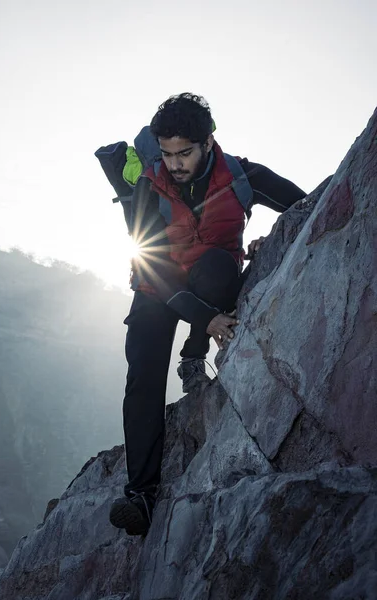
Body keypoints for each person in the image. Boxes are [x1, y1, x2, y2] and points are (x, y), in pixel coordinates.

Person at [109, 93, 306, 536]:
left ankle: (193, 354)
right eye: (166, 153)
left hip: (209, 276)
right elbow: (151, 266)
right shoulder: (147, 185)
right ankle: (141, 493)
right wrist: (208, 318)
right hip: (156, 285)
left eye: (184, 153)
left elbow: (304, 203)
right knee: (142, 373)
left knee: (219, 270)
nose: (174, 163)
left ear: (208, 142)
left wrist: (277, 233)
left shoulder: (240, 175)